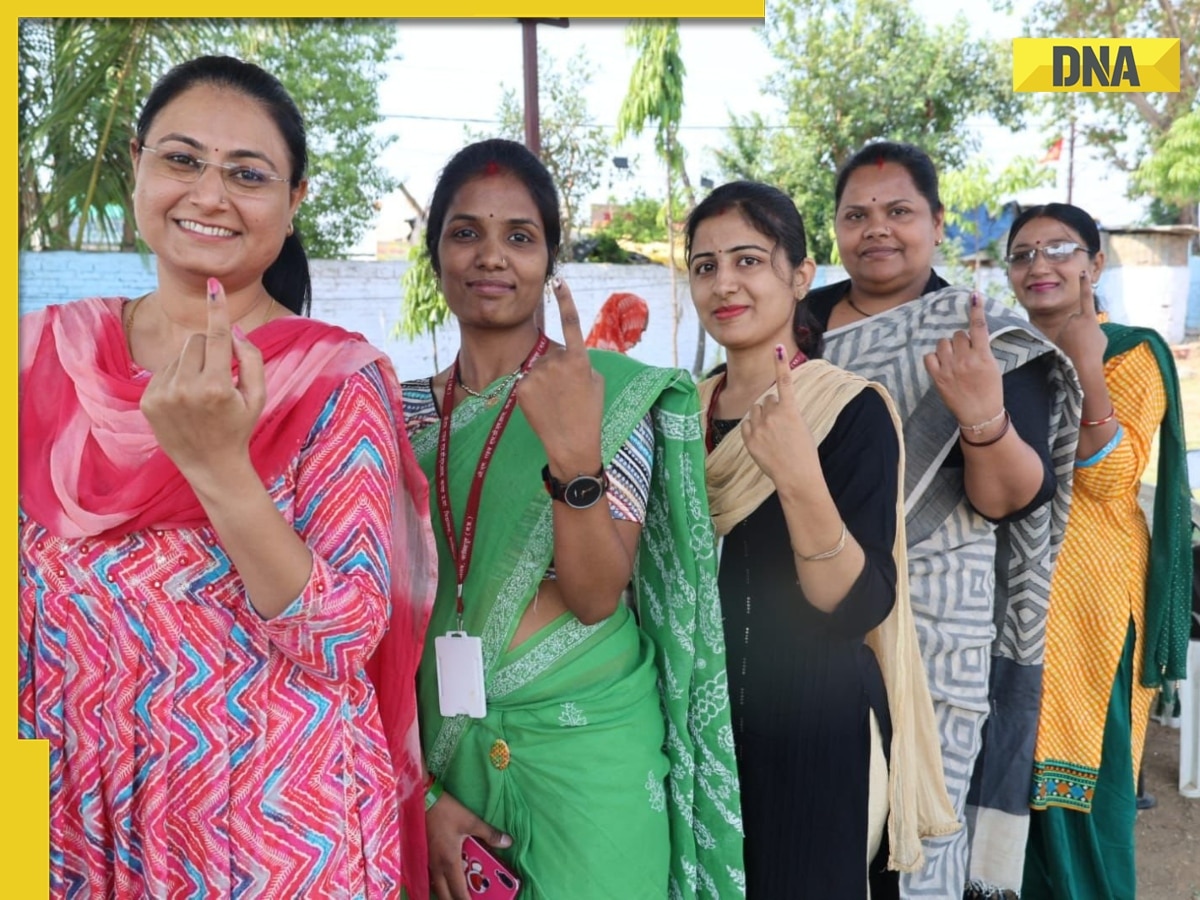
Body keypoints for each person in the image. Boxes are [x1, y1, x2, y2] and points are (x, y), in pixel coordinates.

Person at [17, 56, 437, 898]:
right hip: (68, 805)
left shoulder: (333, 379)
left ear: (294, 202)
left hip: (268, 822)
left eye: (247, 174)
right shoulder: (37, 355)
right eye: (181, 159)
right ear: (136, 163)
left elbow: (342, 637)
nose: (210, 195)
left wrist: (218, 469)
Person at [398, 139, 743, 900]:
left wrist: (574, 461)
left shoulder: (607, 393)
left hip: (589, 744)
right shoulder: (401, 413)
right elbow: (381, 612)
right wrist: (419, 792)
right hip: (444, 750)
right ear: (436, 257)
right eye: (466, 233)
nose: (492, 257)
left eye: (519, 237)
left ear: (549, 260)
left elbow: (594, 596)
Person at [801, 141, 1081, 899]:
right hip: (805, 616)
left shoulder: (976, 333)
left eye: (898, 212)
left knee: (917, 847)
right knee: (815, 832)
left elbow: (1009, 499)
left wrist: (982, 416)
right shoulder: (792, 327)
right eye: (856, 215)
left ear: (936, 222)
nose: (876, 230)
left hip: (931, 631)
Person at [686, 180, 958, 899]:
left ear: (800, 276)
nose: (725, 283)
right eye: (705, 265)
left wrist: (799, 477)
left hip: (815, 728)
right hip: (697, 728)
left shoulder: (849, 409)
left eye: (748, 260)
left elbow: (857, 604)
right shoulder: (678, 414)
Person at [1004, 203, 1191, 900]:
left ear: (1095, 264)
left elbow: (1110, 480)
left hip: (1092, 612)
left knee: (1086, 787)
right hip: (1009, 603)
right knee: (1006, 796)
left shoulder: (1132, 352)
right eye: (1022, 255)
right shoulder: (1001, 354)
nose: (1039, 266)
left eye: (1058, 249)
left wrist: (1087, 365)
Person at [584, 290, 650, 353]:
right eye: (638, 331)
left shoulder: (582, 356)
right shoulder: (616, 361)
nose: (639, 339)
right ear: (626, 324)